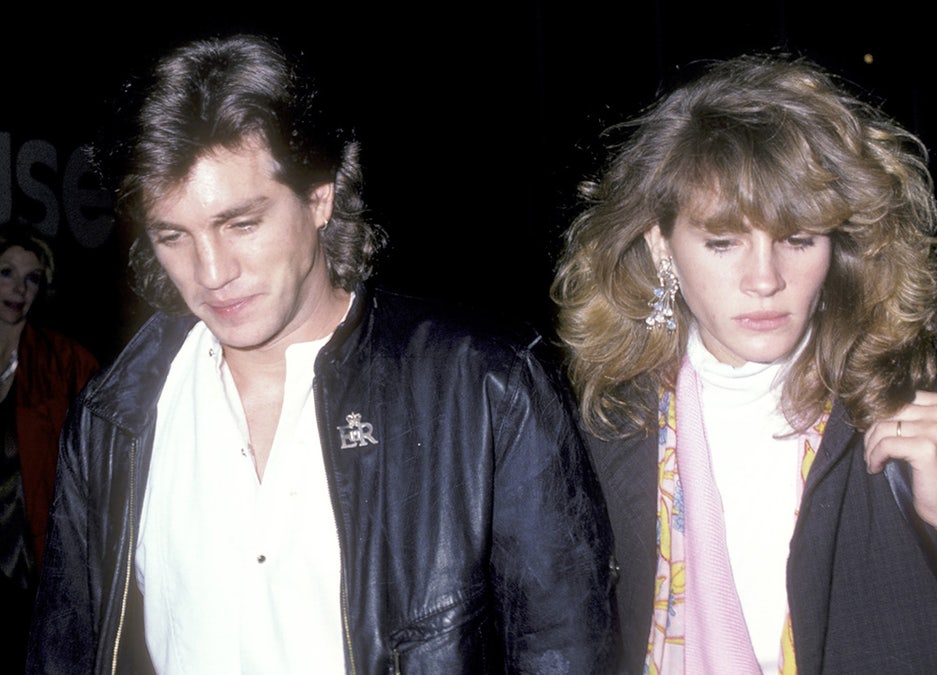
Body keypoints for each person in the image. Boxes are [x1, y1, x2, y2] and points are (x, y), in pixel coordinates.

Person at [551, 53, 937, 673]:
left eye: (799, 238)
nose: (764, 280)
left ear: (841, 241)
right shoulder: (596, 424)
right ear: (662, 247)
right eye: (723, 242)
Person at [27, 34, 616, 673]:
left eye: (241, 223)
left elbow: (565, 650)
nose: (211, 271)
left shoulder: (485, 386)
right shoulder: (117, 413)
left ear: (320, 196)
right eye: (173, 236)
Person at [0, 224, 99, 671]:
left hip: (28, 559)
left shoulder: (66, 361)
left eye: (32, 277)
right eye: (6, 273)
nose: (18, 288)